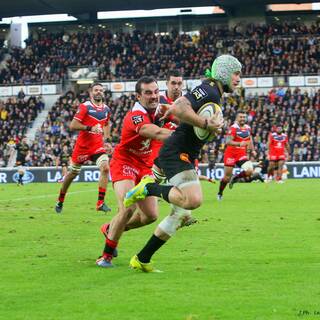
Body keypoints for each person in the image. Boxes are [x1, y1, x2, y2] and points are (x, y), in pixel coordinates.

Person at [123, 54, 241, 272]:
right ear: (224, 71)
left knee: (181, 214)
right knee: (193, 200)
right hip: (176, 152)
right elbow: (179, 107)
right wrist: (206, 122)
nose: (238, 79)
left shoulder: (214, 93)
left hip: (185, 152)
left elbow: (181, 114)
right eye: (236, 73)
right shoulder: (209, 90)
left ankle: (142, 258)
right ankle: (148, 188)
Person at [96, 76, 173, 268]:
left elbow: (179, 116)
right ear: (138, 96)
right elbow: (155, 133)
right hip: (125, 162)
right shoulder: (135, 116)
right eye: (148, 93)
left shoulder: (161, 109)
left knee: (150, 216)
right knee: (128, 207)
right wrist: (188, 135)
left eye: (156, 91)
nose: (153, 96)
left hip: (145, 166)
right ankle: (106, 256)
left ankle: (110, 228)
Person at [55, 83, 112, 213]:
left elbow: (107, 124)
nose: (98, 92)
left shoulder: (106, 109)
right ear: (91, 93)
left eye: (101, 90)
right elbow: (73, 125)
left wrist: (107, 140)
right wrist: (90, 128)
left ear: (103, 93)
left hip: (97, 146)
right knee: (72, 174)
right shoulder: (85, 106)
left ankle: (100, 202)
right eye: (96, 90)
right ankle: (60, 199)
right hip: (82, 147)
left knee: (105, 168)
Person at [217, 110, 256, 200]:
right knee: (226, 178)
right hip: (230, 155)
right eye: (240, 117)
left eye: (244, 117)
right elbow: (228, 141)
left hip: (241, 154)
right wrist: (239, 144)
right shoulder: (233, 128)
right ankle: (220, 193)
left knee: (250, 171)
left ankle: (235, 178)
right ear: (237, 118)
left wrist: (253, 150)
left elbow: (250, 140)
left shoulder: (248, 128)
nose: (242, 119)